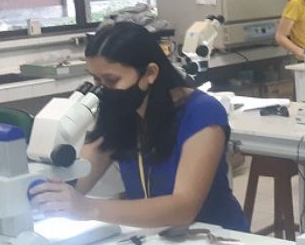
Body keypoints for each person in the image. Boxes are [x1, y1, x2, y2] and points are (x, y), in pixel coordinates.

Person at [29, 22, 247, 232]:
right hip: (156, 238)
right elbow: (79, 179)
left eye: (111, 80)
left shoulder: (202, 113)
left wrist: (88, 208)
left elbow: (184, 208)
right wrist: (41, 194)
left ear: (150, 73)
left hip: (214, 238)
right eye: (96, 81)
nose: (103, 90)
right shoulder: (121, 112)